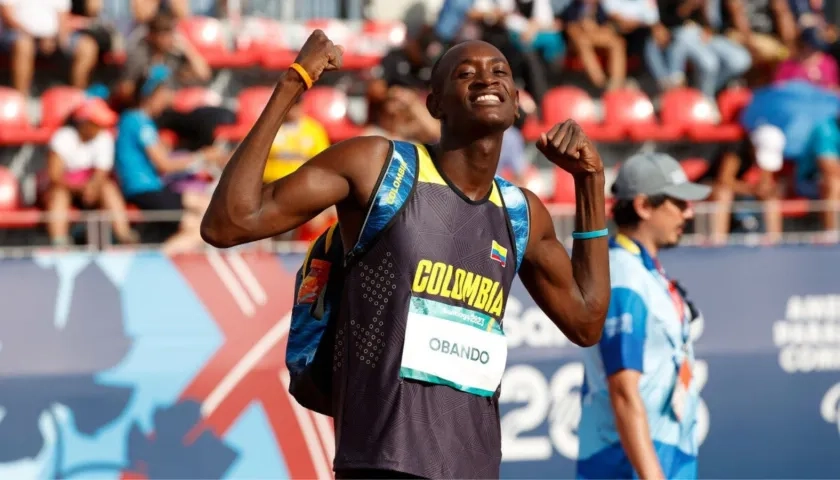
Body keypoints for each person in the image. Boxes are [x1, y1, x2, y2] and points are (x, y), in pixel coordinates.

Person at [201, 30, 611, 479]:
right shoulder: (378, 166)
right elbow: (230, 222)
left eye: (499, 73)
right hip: (382, 462)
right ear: (435, 106)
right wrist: (294, 82)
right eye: (465, 73)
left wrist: (590, 182)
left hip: (474, 466)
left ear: (516, 103)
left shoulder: (520, 212)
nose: (485, 79)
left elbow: (586, 321)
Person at [576, 152, 710, 480]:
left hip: (662, 458)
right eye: (678, 203)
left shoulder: (645, 273)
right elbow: (623, 391)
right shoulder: (624, 277)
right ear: (643, 206)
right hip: (628, 467)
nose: (689, 212)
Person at [114, 64, 215, 253]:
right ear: (152, 93)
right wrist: (203, 157)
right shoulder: (138, 121)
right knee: (199, 225)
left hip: (150, 189)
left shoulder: (137, 121)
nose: (169, 98)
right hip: (144, 191)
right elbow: (165, 165)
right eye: (166, 92)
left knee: (202, 214)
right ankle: (157, 264)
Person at [43, 97, 138, 246]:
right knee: (59, 195)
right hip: (67, 187)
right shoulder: (64, 137)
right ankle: (58, 241)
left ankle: (124, 235)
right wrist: (79, 188)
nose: (101, 127)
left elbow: (101, 172)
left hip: (89, 188)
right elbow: (55, 175)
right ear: (85, 123)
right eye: (97, 123)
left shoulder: (103, 137)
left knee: (109, 189)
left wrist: (91, 188)